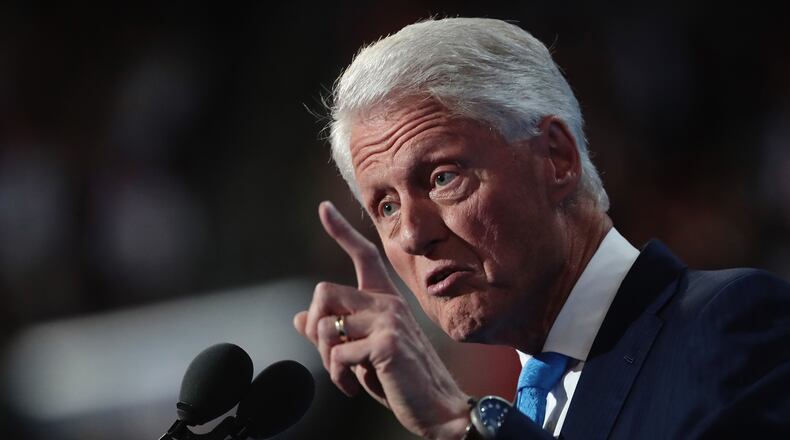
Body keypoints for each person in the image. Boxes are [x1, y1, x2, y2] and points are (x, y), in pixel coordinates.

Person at [293, 17, 790, 439]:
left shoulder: (730, 325)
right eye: (385, 207)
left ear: (556, 157)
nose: (413, 235)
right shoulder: (525, 409)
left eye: (443, 177)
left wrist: (457, 420)